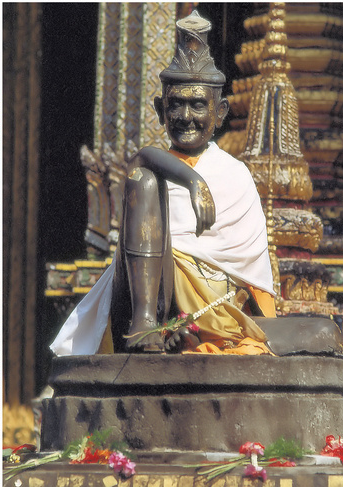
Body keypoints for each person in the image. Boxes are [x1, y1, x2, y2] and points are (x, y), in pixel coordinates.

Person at [50, 10, 277, 356]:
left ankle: (179, 333)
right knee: (142, 180)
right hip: (149, 297)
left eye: (198, 104)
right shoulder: (154, 168)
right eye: (176, 105)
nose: (186, 116)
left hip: (213, 306)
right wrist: (192, 179)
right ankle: (144, 326)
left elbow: (250, 276)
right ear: (159, 109)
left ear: (220, 111)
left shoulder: (236, 174)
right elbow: (140, 159)